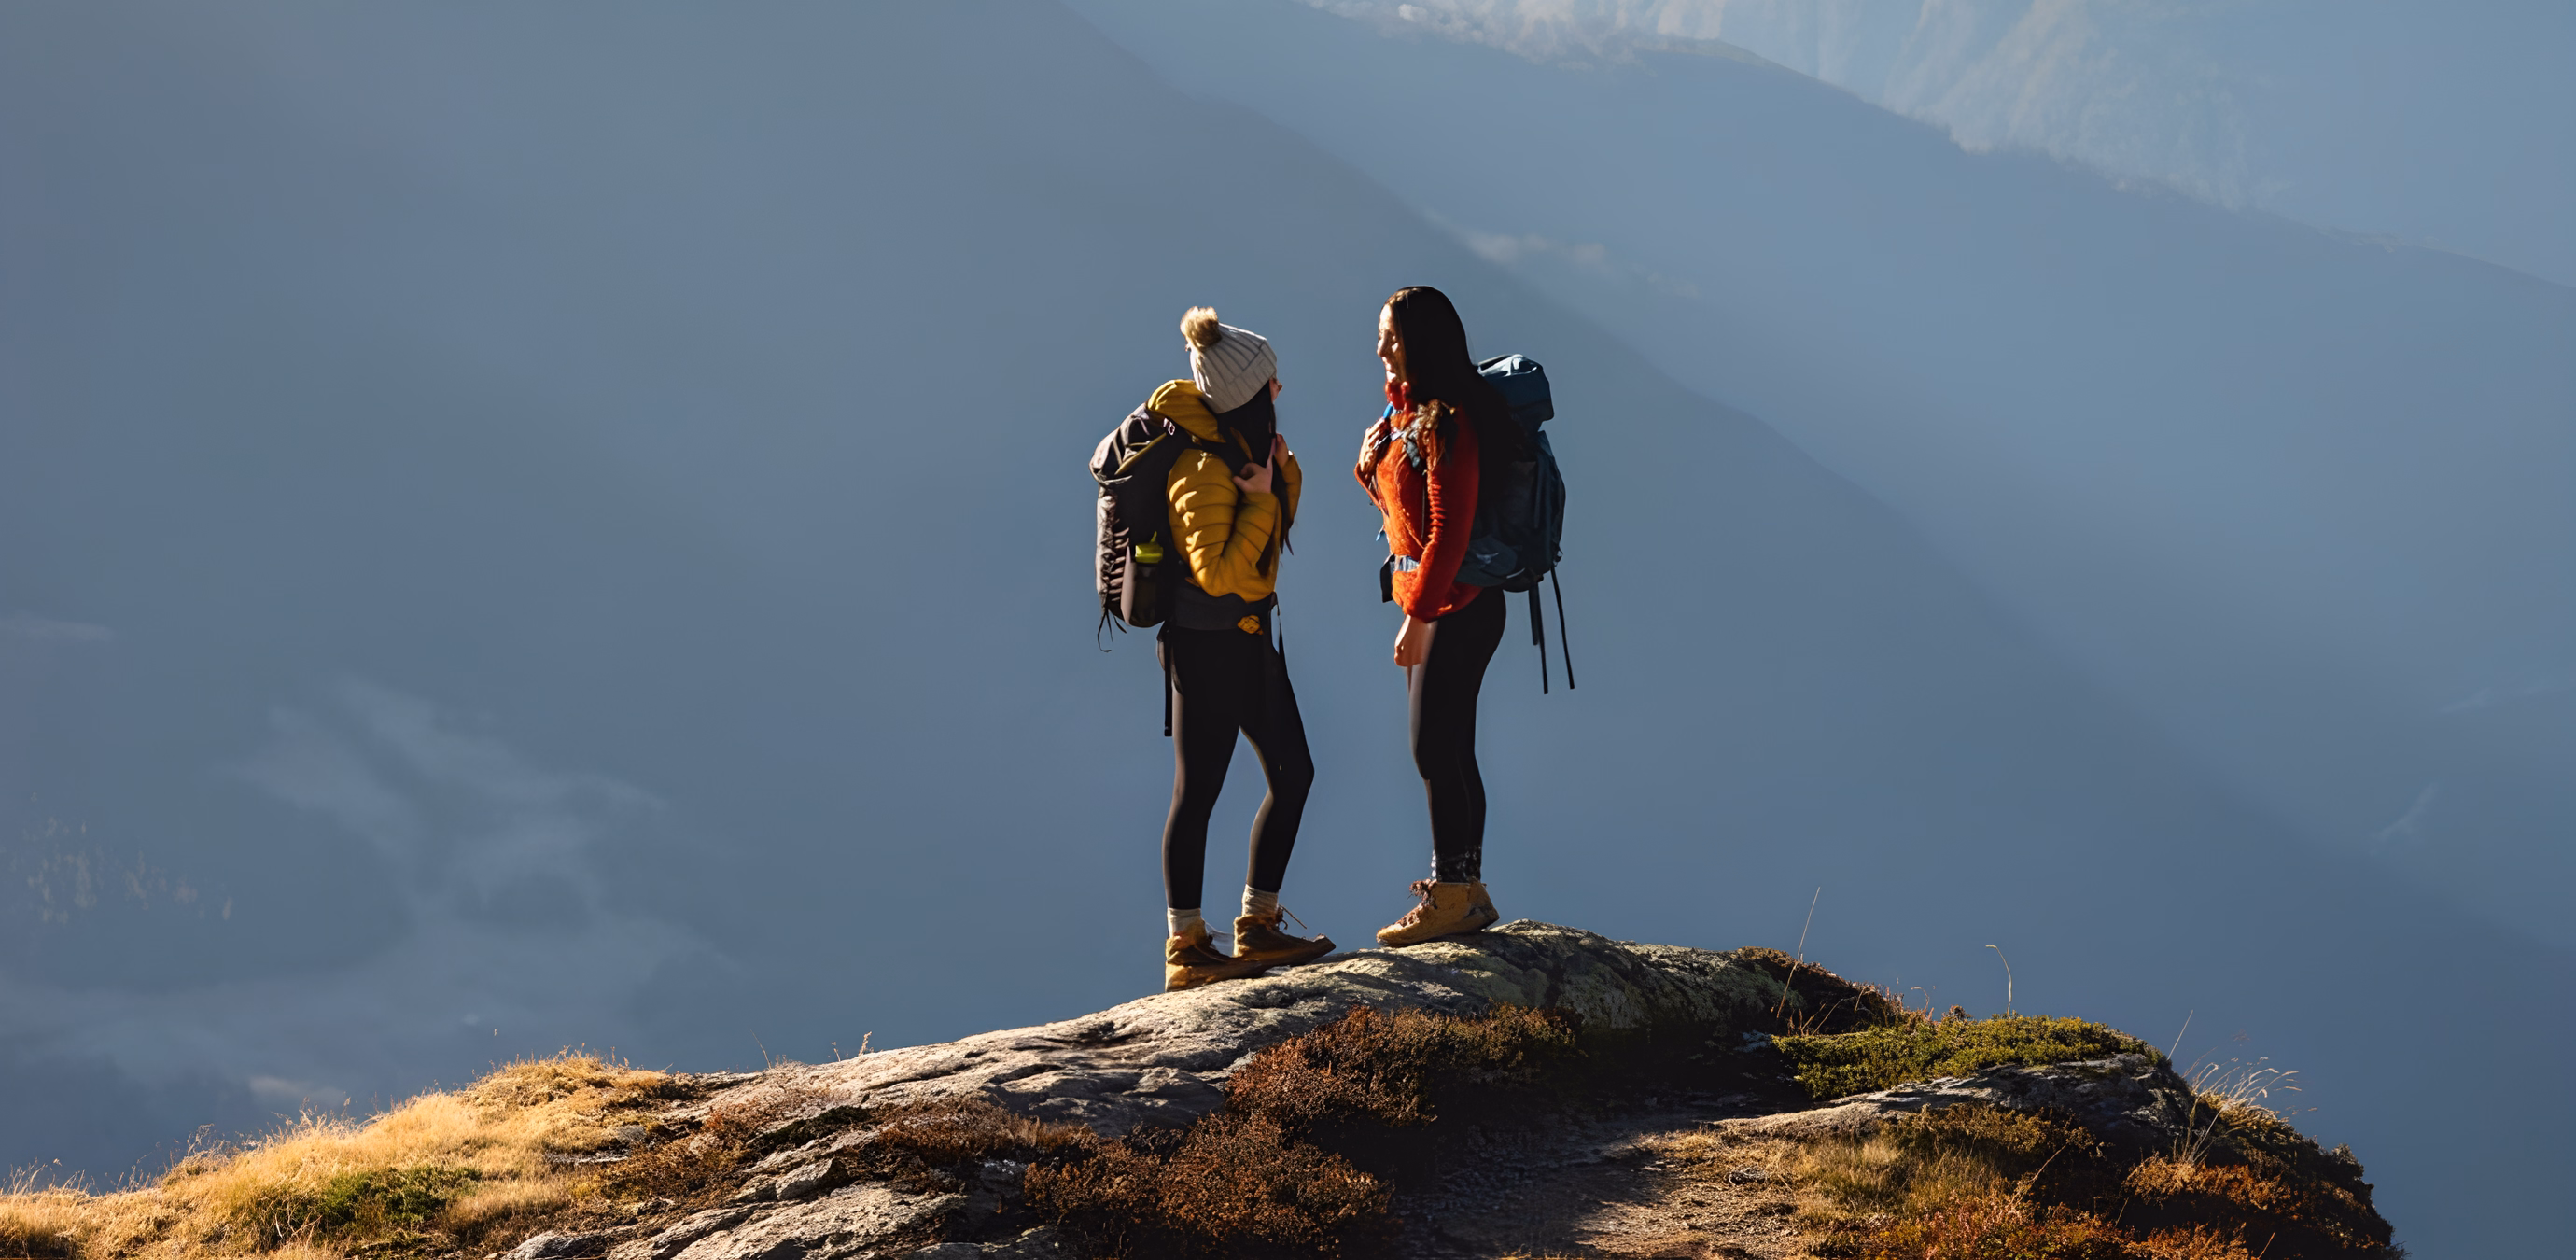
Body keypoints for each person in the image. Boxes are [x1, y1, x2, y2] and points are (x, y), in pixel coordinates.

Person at [1149, 307, 1335, 991]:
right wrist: (1261, 499)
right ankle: (1187, 946)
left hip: (1250, 642)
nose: (1280, 390)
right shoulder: (1199, 468)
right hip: (1207, 650)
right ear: (1247, 394)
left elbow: (1269, 534)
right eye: (1270, 383)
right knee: (1197, 794)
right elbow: (1221, 573)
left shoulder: (1240, 453)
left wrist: (1274, 481)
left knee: (1295, 775)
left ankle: (1257, 924)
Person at [1354, 287, 1524, 945]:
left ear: (1420, 343)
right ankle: (1464, 890)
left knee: (1432, 747)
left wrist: (1419, 617)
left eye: (1390, 338)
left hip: (1460, 609)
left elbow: (1449, 532)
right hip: (1442, 604)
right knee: (1450, 747)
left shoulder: (1447, 419)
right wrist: (1369, 469)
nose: (1380, 349)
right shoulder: (1411, 419)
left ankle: (1452, 894)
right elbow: (1408, 524)